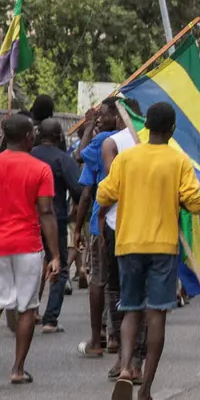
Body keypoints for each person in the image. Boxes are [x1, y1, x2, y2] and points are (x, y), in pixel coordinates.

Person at [96, 102, 200, 400]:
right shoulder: (179, 160)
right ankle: (144, 396)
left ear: (147, 127)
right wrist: (178, 199)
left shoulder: (127, 158)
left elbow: (105, 194)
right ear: (171, 130)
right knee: (156, 313)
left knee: (130, 308)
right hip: (162, 246)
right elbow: (195, 203)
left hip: (128, 243)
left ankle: (127, 365)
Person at [0, 114, 61, 385]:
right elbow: (45, 212)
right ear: (28, 137)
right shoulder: (40, 169)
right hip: (28, 247)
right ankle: (18, 369)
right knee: (27, 309)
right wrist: (55, 254)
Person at [73, 99, 123, 357]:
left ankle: (97, 338)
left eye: (103, 114)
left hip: (101, 222)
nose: (100, 119)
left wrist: (90, 123)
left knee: (99, 280)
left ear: (118, 114)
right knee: (119, 281)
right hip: (129, 223)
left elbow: (80, 161)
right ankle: (116, 335)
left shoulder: (104, 140)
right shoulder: (136, 141)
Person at [31, 118, 83, 333]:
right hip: (55, 219)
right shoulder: (63, 160)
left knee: (31, 265)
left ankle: (28, 311)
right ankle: (50, 319)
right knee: (59, 267)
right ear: (59, 137)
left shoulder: (27, 155)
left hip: (28, 220)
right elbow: (79, 189)